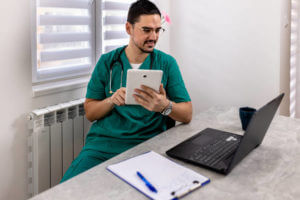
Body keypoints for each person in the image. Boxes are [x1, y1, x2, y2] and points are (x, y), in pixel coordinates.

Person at [60, 0, 192, 183]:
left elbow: (187, 114)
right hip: (102, 147)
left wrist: (165, 106)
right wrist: (111, 100)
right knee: (68, 189)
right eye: (146, 30)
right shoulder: (107, 62)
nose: (153, 36)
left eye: (157, 30)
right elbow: (90, 112)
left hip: (147, 147)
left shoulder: (167, 63)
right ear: (128, 28)